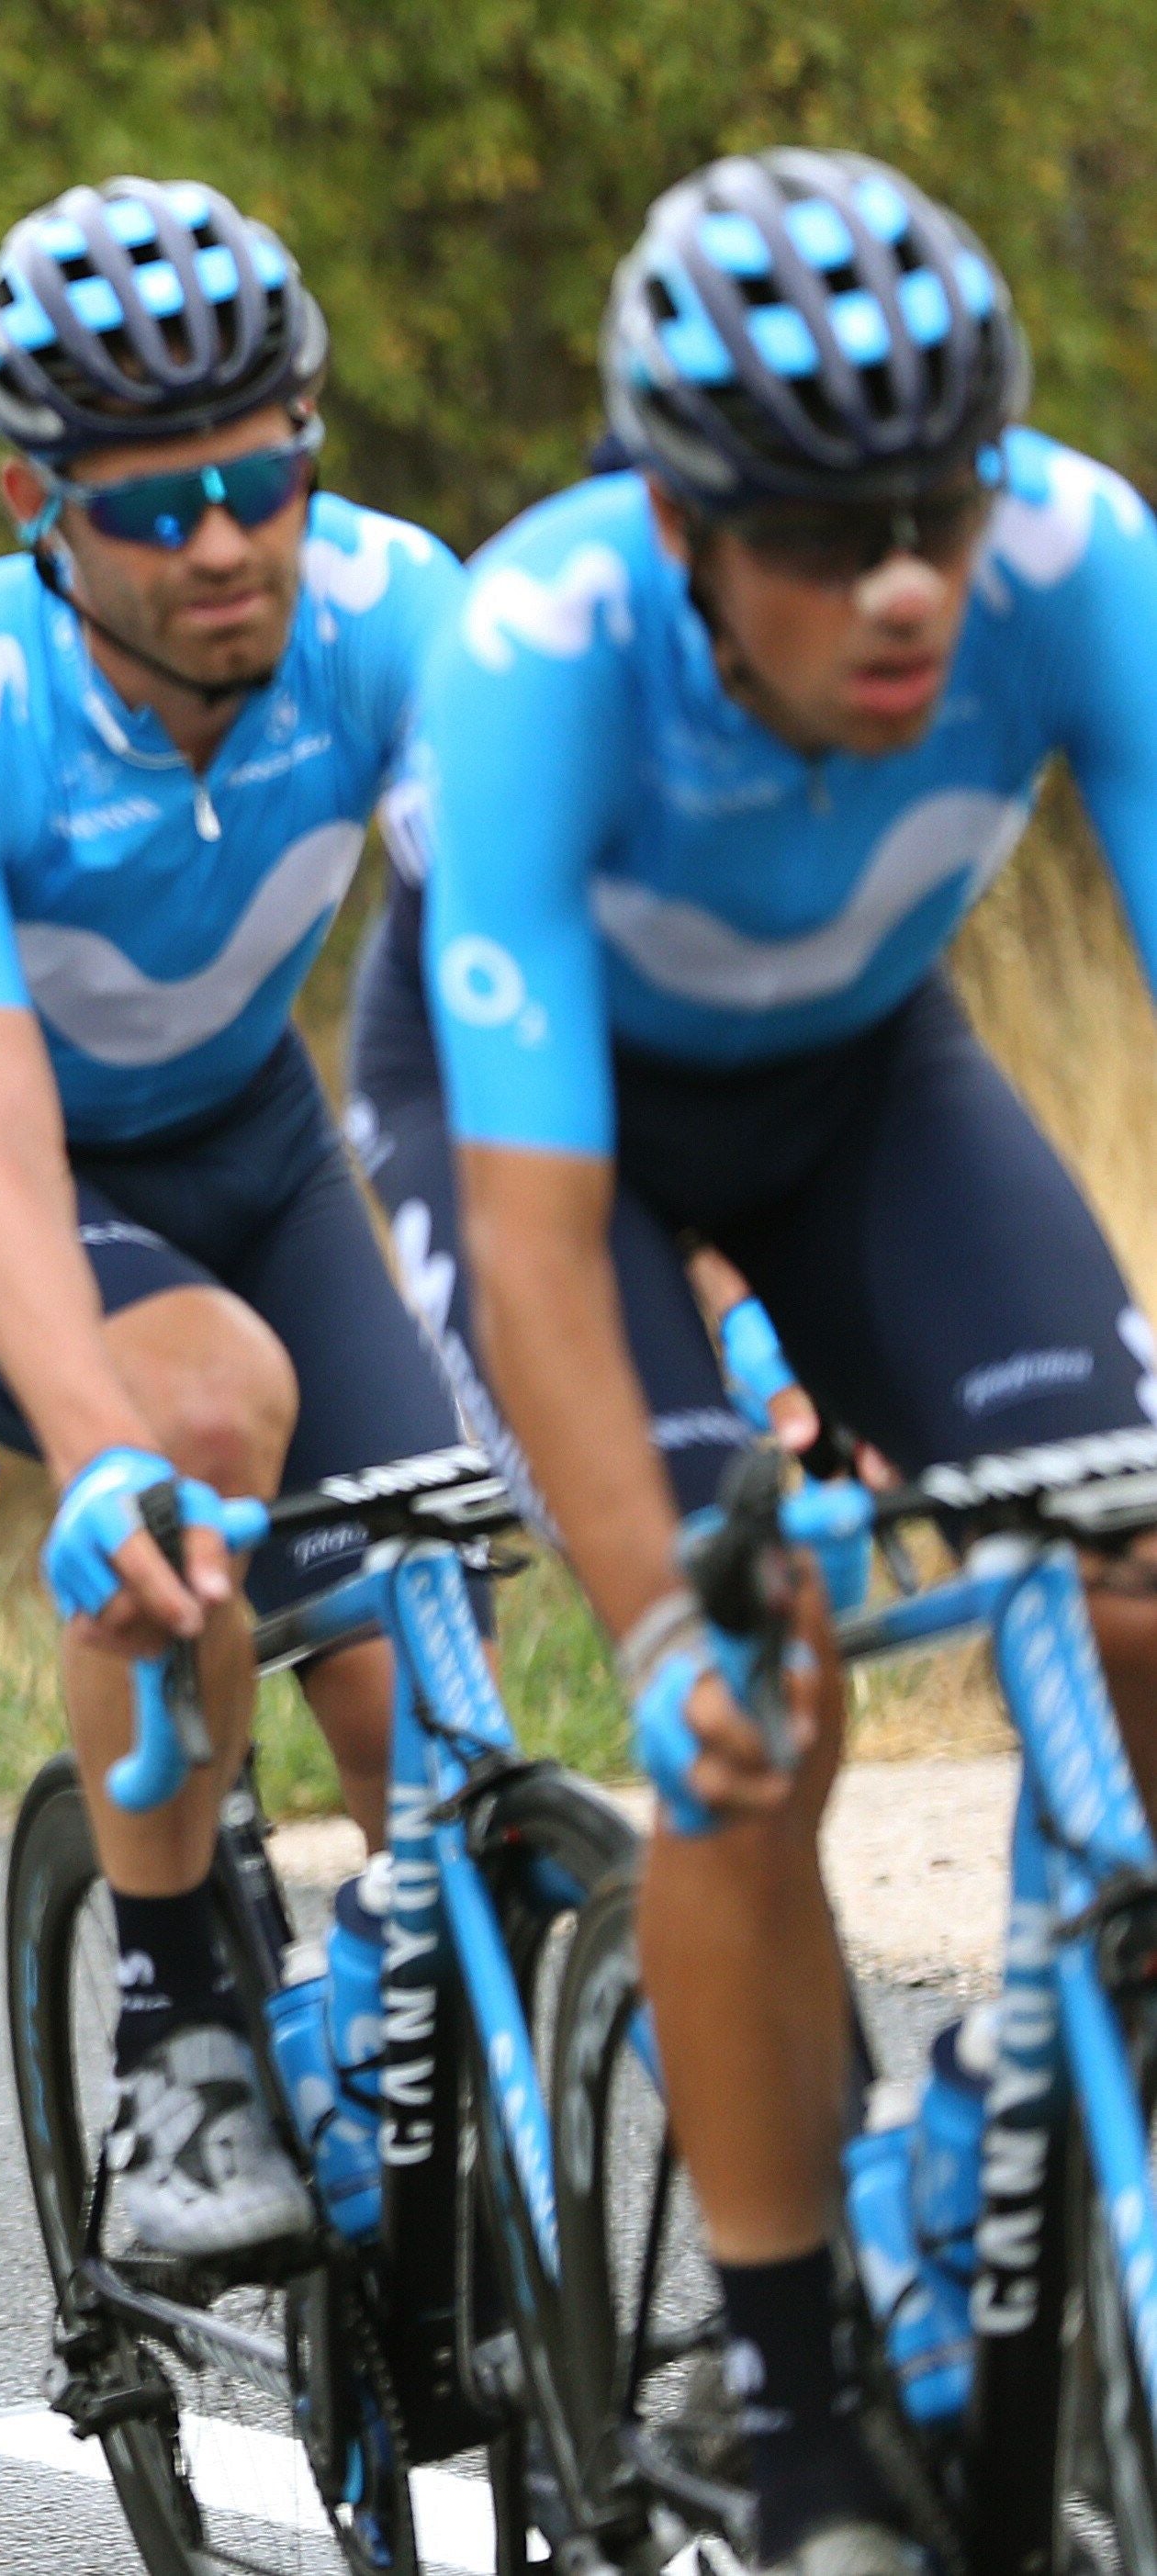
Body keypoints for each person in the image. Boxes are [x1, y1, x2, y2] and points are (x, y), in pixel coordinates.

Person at [354, 150, 1157, 2576]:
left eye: (933, 499)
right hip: (543, 1139)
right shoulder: (534, 651)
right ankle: (789, 2395)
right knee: (751, 1702)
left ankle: (978, 2141)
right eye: (821, 532)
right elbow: (526, 1220)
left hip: (859, 1088)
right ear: (682, 525)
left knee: (1133, 1589)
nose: (901, 576)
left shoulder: (1074, 559)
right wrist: (663, 1610)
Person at [0, 177, 473, 2257]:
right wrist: (95, 1449)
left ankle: (427, 2152)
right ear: (35, 504)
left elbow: (549, 969)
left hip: (246, 1134)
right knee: (206, 1412)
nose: (226, 540)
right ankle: (175, 2047)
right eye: (156, 507)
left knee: (424, 1671)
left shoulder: (399, 614)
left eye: (263, 478)